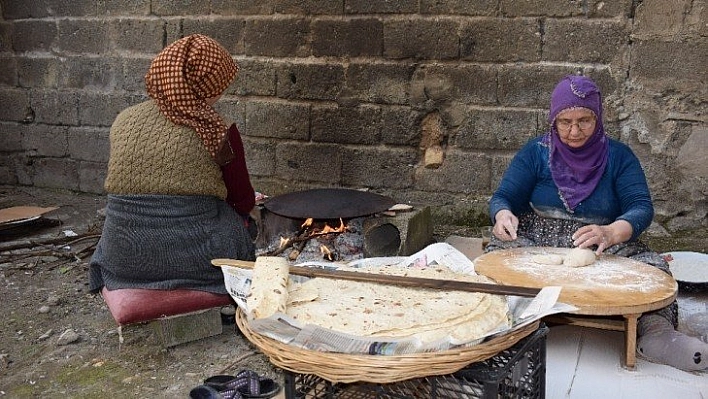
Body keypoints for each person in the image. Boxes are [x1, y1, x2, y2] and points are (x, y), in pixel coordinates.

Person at [487, 74, 707, 372]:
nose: (574, 131)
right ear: (553, 120)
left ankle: (656, 334)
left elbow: (640, 207)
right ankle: (498, 322)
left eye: (584, 121)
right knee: (496, 255)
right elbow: (504, 197)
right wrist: (503, 215)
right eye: (565, 122)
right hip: (538, 236)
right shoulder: (536, 153)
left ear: (598, 118)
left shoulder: (618, 157)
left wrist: (612, 231)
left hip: (600, 240)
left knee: (653, 267)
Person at [89, 34, 256, 296]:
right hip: (200, 260)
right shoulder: (218, 129)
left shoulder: (124, 119)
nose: (221, 93)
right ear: (202, 87)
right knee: (245, 225)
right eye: (218, 86)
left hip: (123, 256)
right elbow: (242, 201)